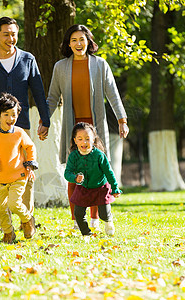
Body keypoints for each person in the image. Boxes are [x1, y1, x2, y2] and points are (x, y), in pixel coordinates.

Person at [47, 24, 129, 230]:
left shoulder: (100, 65)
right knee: (73, 172)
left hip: (95, 126)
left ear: (89, 41)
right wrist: (44, 122)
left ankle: (95, 219)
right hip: (72, 127)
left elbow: (113, 93)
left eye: (82, 39)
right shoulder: (61, 67)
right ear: (68, 43)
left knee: (98, 172)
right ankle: (76, 220)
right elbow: (52, 98)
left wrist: (122, 119)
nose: (78, 44)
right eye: (73, 40)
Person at [0, 16, 50, 224]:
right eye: (6, 34)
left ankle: (27, 219)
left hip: (22, 126)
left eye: (14, 34)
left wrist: (46, 119)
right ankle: (6, 220)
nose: (11, 38)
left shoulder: (28, 59)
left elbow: (38, 91)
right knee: (0, 175)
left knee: (26, 170)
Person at [0, 93, 38, 243]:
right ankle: (8, 233)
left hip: (18, 176)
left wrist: (30, 164)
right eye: (6, 115)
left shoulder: (19, 132)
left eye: (14, 115)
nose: (10, 119)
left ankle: (27, 220)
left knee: (14, 203)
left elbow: (30, 147)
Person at [64, 122, 121, 236]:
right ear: (75, 140)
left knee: (103, 213)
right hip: (83, 188)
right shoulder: (73, 156)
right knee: (78, 213)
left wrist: (115, 188)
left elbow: (109, 172)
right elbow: (67, 173)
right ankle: (86, 233)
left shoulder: (99, 155)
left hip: (100, 188)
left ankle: (108, 221)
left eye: (87, 138)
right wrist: (75, 178)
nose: (84, 142)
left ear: (93, 139)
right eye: (80, 139)